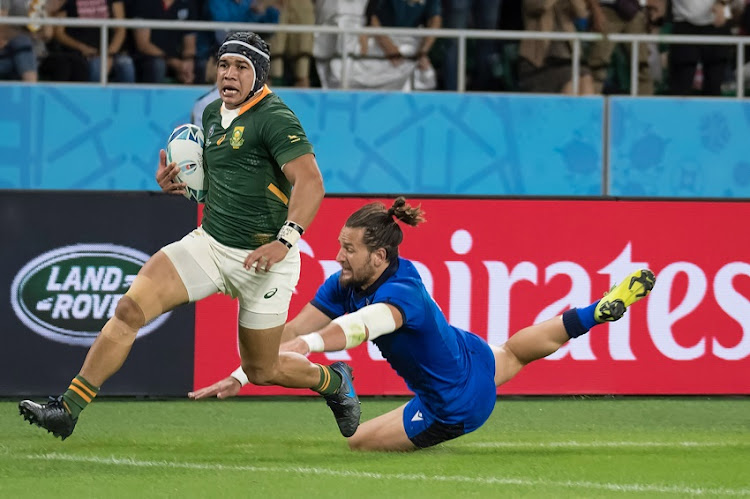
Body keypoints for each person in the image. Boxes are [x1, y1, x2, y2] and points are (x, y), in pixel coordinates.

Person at [18, 31, 361, 442]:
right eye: (223, 65)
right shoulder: (213, 114)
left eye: (241, 67)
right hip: (211, 245)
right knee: (129, 308)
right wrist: (182, 186)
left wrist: (284, 240)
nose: (228, 75)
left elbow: (311, 182)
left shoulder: (275, 117)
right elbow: (218, 184)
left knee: (261, 371)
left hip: (267, 262)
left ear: (259, 76)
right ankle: (67, 409)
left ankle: (334, 382)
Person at [190, 197, 657, 451]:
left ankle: (595, 313)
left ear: (380, 254)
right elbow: (288, 333)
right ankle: (598, 312)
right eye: (339, 245)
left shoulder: (401, 293)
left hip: (454, 404)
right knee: (515, 352)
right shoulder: (347, 282)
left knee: (357, 443)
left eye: (347, 249)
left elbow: (364, 327)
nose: (337, 256)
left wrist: (313, 345)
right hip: (472, 356)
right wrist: (242, 373)